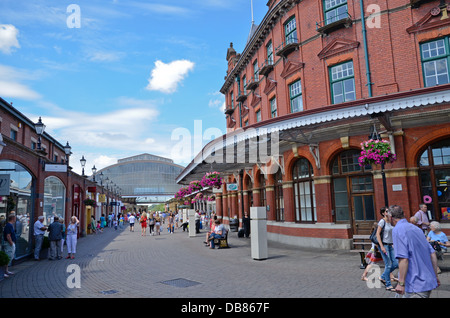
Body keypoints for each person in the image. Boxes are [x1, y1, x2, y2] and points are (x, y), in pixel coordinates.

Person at [390, 205, 440, 298]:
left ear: (391, 218)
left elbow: (403, 259)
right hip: (427, 280)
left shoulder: (397, 230)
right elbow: (432, 254)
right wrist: (435, 276)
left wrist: (401, 283)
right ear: (404, 214)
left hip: (414, 284)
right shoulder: (417, 229)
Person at [375, 207, 398, 292]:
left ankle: (382, 276)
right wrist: (381, 246)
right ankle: (388, 285)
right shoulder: (382, 221)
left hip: (391, 245)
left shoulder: (391, 221)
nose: (389, 212)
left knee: (395, 263)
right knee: (388, 265)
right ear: (383, 213)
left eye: (389, 211)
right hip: (384, 245)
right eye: (387, 211)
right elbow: (377, 234)